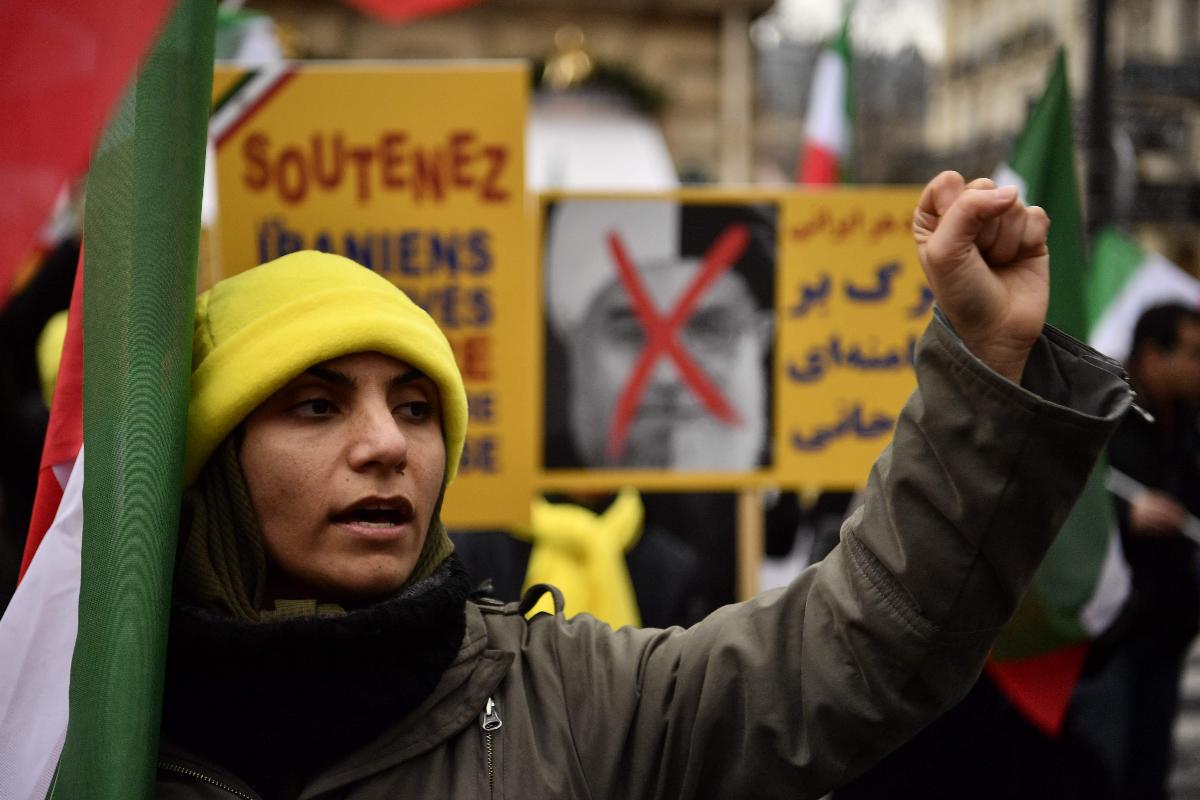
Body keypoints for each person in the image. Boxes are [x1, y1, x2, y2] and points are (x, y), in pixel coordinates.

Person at [157, 172, 1133, 799]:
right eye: (318, 406)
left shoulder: (566, 699)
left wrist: (985, 365)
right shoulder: (75, 727)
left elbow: (854, 648)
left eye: (416, 406)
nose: (387, 444)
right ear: (214, 460)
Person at [1072, 303, 1200, 800]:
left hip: (1167, 624)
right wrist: (1129, 517)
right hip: (1113, 633)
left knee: (1149, 765)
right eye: (1191, 353)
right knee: (1110, 765)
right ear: (1151, 355)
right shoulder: (1102, 412)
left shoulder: (1187, 422)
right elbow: (1070, 499)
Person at [543, 199, 774, 471]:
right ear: (577, 344)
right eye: (633, 333)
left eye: (708, 330)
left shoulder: (804, 494)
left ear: (761, 339)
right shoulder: (529, 488)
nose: (669, 375)